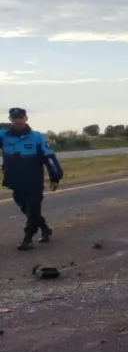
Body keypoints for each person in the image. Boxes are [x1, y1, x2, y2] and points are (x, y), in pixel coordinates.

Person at [1, 107, 63, 250]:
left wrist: (55, 177)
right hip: (15, 180)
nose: (18, 120)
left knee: (33, 210)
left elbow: (50, 158)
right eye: (14, 118)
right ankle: (45, 229)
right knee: (27, 209)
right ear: (10, 120)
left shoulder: (37, 137)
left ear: (26, 118)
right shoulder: (4, 136)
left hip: (33, 180)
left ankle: (27, 238)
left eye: (20, 117)